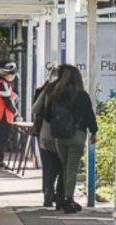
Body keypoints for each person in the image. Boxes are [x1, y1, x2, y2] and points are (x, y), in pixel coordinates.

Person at [40, 64, 97, 215]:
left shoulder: (55, 93)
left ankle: (63, 197)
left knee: (65, 166)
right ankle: (68, 199)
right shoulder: (81, 95)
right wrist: (94, 131)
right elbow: (89, 115)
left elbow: (47, 116)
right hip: (77, 135)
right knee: (71, 168)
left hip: (59, 137)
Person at [32, 62, 64, 207]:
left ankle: (47, 193)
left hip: (45, 133)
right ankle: (60, 195)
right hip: (64, 134)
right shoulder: (71, 91)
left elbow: (35, 109)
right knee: (62, 165)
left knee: (48, 165)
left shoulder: (44, 90)